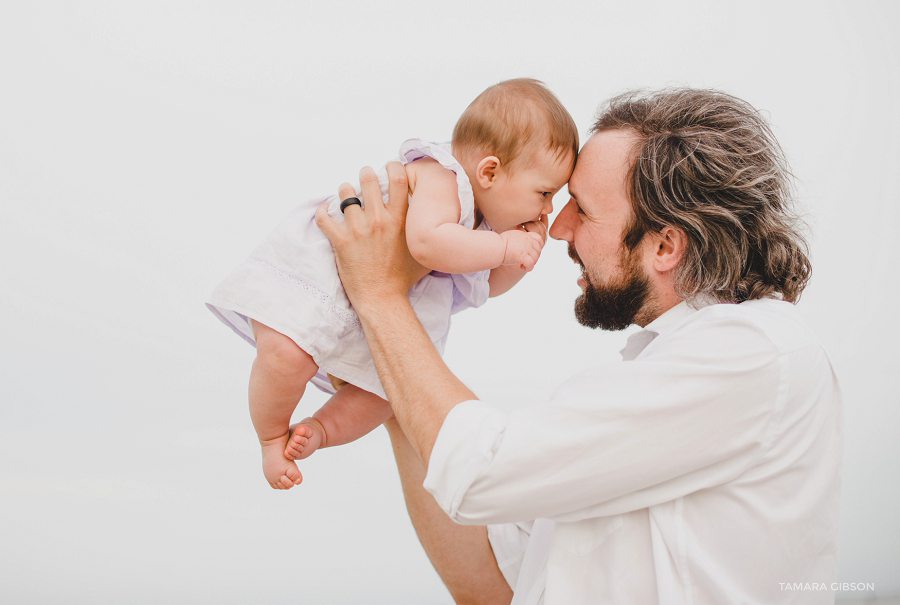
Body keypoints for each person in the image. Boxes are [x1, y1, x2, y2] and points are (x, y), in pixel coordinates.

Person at [316, 88, 842, 604]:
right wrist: (387, 378)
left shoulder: (752, 352)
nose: (559, 228)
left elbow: (481, 473)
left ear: (664, 245)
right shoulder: (680, 370)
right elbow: (495, 587)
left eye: (583, 210)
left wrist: (381, 296)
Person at [207, 78, 578, 490]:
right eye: (544, 192)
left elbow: (487, 286)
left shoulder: (481, 225)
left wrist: (520, 260)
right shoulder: (443, 178)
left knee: (389, 396)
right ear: (489, 171)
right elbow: (426, 244)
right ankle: (271, 435)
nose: (548, 208)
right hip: (326, 280)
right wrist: (506, 246)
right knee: (287, 356)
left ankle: (322, 430)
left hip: (384, 303)